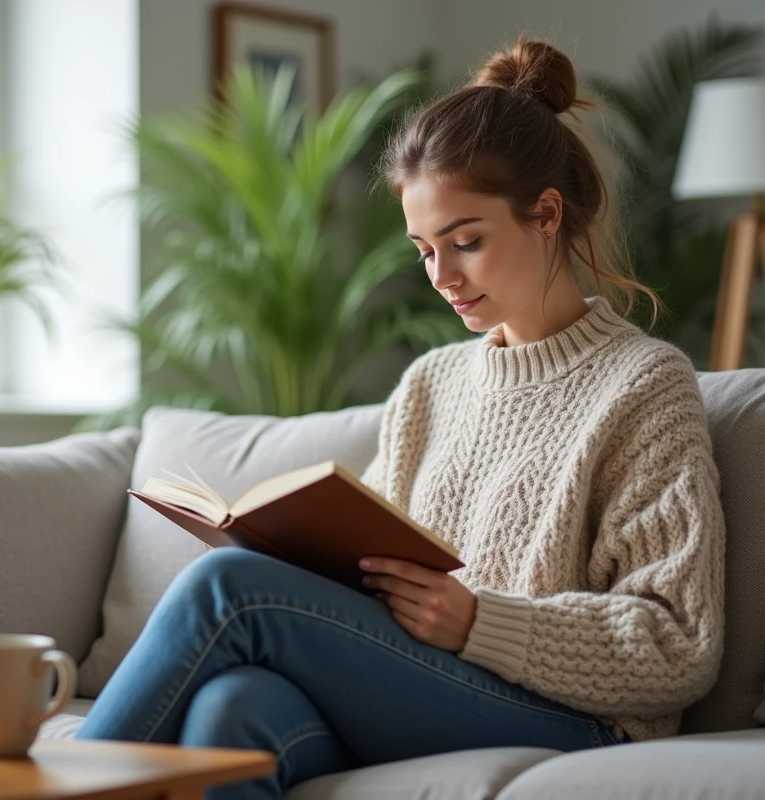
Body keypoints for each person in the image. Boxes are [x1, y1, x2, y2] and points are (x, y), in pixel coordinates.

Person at [76, 35, 726, 799]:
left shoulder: (643, 384)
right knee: (234, 711)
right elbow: (374, 573)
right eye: (424, 250)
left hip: (574, 718)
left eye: (466, 243)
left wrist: (481, 622)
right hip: (430, 683)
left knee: (228, 588)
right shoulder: (430, 385)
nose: (442, 277)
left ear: (546, 214)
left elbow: (678, 642)